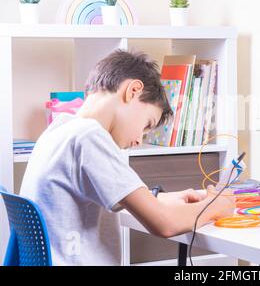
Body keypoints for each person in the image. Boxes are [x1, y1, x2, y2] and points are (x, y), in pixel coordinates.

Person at [20, 50, 235, 265]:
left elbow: (100, 194)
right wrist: (217, 207)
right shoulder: (90, 136)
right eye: (146, 125)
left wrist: (159, 199)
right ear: (133, 91)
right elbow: (165, 224)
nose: (139, 140)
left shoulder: (59, 129)